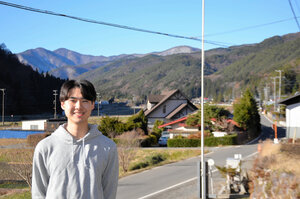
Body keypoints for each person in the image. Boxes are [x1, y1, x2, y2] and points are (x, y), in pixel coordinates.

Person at [32, 79, 119, 199]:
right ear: (62, 104)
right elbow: (38, 194)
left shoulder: (108, 147)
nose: (78, 106)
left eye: (85, 101)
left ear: (93, 104)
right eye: (73, 100)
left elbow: (109, 193)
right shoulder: (45, 147)